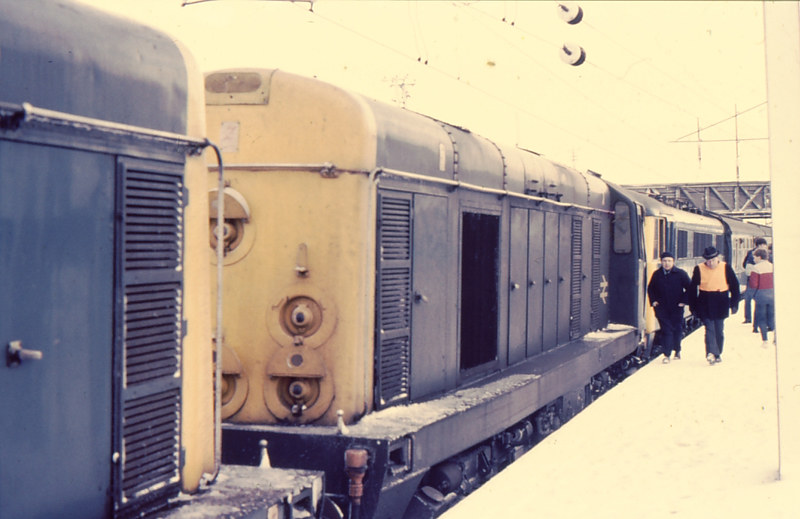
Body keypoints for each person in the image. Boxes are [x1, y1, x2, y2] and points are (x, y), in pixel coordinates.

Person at [689, 246, 740, 365]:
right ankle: (710, 353)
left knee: (719, 330)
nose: (711, 263)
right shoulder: (699, 269)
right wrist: (693, 307)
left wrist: (734, 303)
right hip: (705, 301)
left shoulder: (725, 267)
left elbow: (735, 286)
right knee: (709, 329)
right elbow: (692, 289)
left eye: (713, 260)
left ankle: (717, 353)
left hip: (721, 301)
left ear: (718, 258)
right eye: (708, 260)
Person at [647, 251, 691, 363]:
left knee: (677, 329)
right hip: (661, 308)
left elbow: (690, 288)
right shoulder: (657, 275)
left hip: (677, 307)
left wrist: (683, 301)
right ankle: (667, 354)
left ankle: (677, 350)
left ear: (673, 262)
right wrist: (653, 301)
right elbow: (650, 288)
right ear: (661, 262)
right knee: (666, 330)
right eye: (664, 261)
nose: (667, 263)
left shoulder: (681, 274)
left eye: (669, 261)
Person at [747, 248, 775, 347]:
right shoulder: (772, 266)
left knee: (761, 318)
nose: (753, 259)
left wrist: (753, 295)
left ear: (759, 257)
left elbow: (753, 284)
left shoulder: (756, 268)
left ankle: (765, 340)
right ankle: (775, 338)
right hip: (772, 295)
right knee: (772, 318)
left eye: (754, 257)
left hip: (761, 296)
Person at [741, 237, 769, 328]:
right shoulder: (763, 254)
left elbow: (744, 264)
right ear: (760, 245)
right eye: (763, 245)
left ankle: (748, 318)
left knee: (748, 299)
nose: (764, 246)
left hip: (752, 278)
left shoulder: (750, 253)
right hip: (759, 279)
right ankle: (757, 321)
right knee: (757, 300)